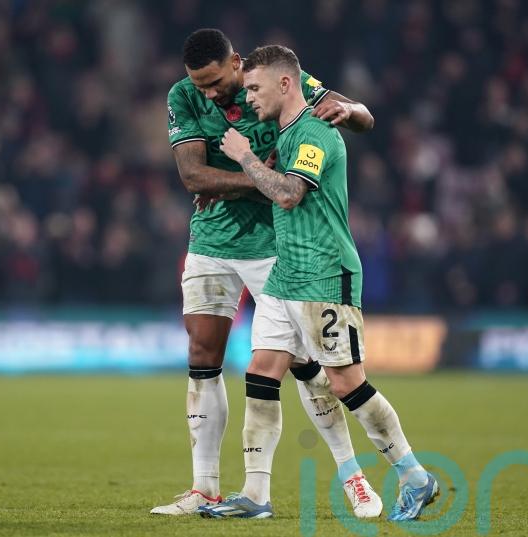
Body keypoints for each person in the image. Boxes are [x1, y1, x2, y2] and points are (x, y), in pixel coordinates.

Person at [198, 45, 438, 521]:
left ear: (286, 84)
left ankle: (414, 475)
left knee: (346, 383)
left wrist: (244, 159)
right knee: (262, 372)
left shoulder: (313, 134)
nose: (247, 99)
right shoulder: (284, 132)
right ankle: (256, 495)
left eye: (254, 88)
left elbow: (289, 194)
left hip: (326, 275)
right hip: (286, 276)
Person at [151, 29, 382, 517]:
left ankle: (353, 475)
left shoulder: (271, 79)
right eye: (200, 85)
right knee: (202, 353)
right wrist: (261, 175)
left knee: (304, 364)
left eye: (215, 82)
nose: (209, 94)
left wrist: (355, 111)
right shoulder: (183, 95)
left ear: (236, 64)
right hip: (210, 243)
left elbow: (355, 116)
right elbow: (193, 177)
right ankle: (205, 489)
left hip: (277, 245)